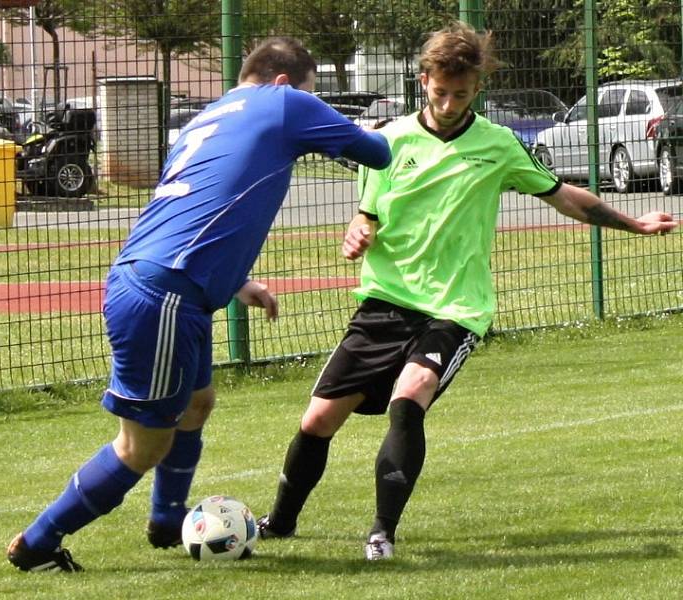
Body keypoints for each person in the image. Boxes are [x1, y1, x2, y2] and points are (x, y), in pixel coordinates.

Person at [255, 21, 678, 561]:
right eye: (440, 90)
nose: (450, 102)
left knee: (409, 399)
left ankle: (382, 532)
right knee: (316, 420)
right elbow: (370, 211)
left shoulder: (498, 146)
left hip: (456, 309)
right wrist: (360, 229)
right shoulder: (388, 141)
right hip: (385, 301)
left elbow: (563, 196)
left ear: (476, 89)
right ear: (423, 79)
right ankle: (281, 524)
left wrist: (632, 223)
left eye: (461, 93)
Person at [6, 36, 391, 572]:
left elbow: (196, 213)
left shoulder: (204, 119)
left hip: (160, 284)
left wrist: (237, 283)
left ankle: (167, 520)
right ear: (284, 83)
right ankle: (39, 543)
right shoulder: (284, 102)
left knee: (197, 403)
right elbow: (377, 154)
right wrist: (369, 128)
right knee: (141, 446)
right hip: (163, 298)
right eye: (309, 94)